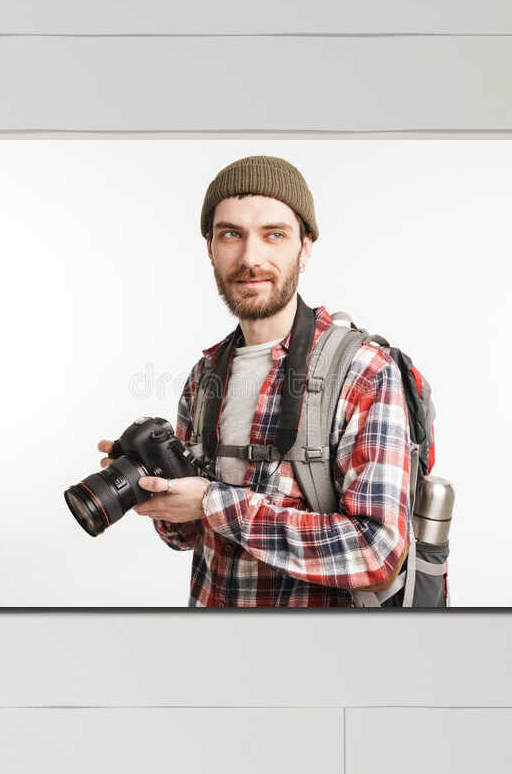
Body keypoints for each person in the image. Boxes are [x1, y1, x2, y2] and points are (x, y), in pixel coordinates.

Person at [98, 155, 417, 607]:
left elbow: (377, 551)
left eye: (274, 235)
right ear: (209, 246)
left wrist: (213, 502)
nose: (251, 257)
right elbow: (189, 538)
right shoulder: (205, 378)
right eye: (231, 234)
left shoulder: (363, 370)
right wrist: (153, 488)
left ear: (305, 247)